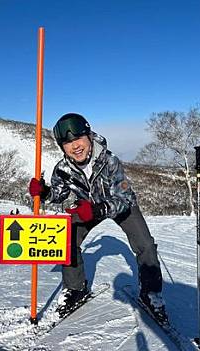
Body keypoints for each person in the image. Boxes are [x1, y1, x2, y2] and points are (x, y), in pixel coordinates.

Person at [28, 113, 167, 322]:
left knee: (145, 244)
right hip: (86, 208)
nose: (75, 146)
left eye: (79, 139)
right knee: (67, 239)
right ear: (62, 147)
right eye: (68, 143)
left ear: (89, 136)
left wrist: (98, 210)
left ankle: (151, 293)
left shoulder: (110, 161)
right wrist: (45, 192)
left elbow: (125, 198)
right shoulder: (63, 168)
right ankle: (76, 288)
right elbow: (60, 193)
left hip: (116, 205)